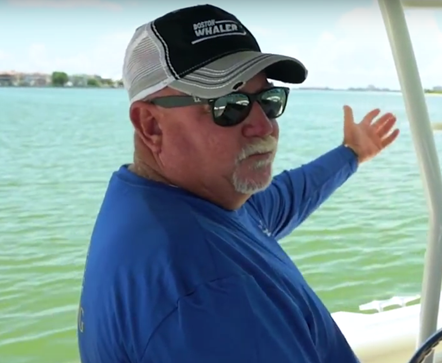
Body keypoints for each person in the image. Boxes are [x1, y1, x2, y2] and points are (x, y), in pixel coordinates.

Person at [77, 4, 399, 363]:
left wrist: (352, 153)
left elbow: (284, 198)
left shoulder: (165, 203)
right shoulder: (208, 293)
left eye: (269, 100)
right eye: (230, 106)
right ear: (151, 126)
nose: (264, 126)